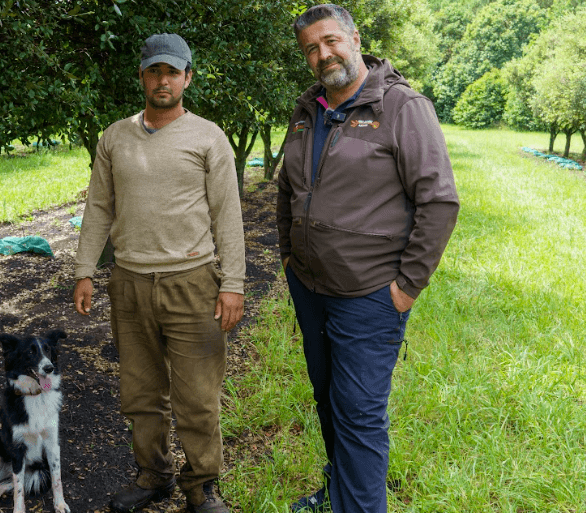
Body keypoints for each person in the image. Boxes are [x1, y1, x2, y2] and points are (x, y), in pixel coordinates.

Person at [277, 4, 460, 512]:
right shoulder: (307, 109)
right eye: (311, 48)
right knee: (329, 401)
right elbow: (288, 190)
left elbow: (439, 201)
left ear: (355, 38)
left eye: (331, 40)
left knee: (358, 413)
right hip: (311, 289)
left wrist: (405, 288)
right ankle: (340, 491)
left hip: (371, 295)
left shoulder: (401, 107)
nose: (323, 54)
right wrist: (290, 257)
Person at [73, 33, 245, 513]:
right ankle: (153, 475)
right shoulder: (115, 137)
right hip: (128, 283)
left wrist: (232, 283)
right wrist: (85, 269)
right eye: (154, 71)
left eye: (172, 72)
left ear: (187, 77)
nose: (163, 80)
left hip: (192, 283)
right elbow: (99, 207)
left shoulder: (208, 136)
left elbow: (227, 214)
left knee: (196, 397)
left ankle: (202, 486)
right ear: (142, 76)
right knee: (140, 393)